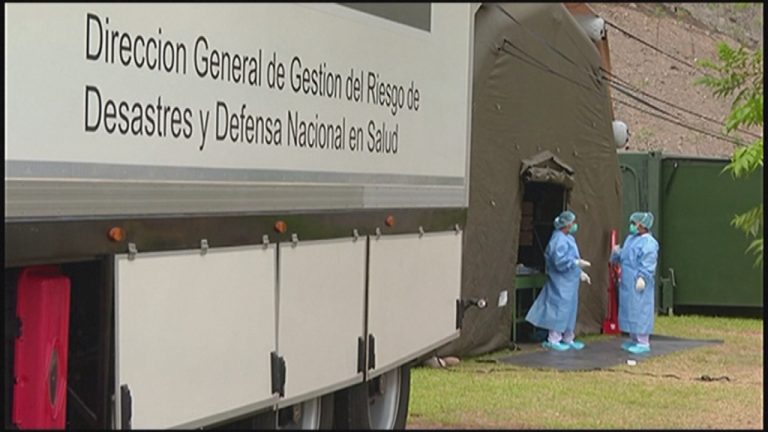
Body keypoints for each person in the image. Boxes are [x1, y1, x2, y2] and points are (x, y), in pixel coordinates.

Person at [526, 210, 592, 351]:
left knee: (569, 311)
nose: (575, 225)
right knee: (558, 310)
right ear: (566, 224)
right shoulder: (557, 240)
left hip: (570, 282)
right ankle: (554, 339)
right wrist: (575, 263)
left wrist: (580, 272)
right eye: (572, 222)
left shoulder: (569, 238)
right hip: (560, 283)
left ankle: (568, 338)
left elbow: (572, 257)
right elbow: (559, 261)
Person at [611, 211, 660, 354]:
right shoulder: (631, 239)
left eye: (634, 223)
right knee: (629, 310)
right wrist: (616, 253)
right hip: (627, 281)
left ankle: (643, 342)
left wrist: (643, 277)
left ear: (642, 225)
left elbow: (649, 261)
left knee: (641, 310)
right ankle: (634, 339)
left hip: (639, 282)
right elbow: (625, 256)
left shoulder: (649, 243)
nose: (631, 226)